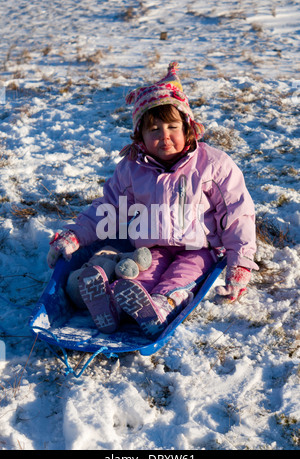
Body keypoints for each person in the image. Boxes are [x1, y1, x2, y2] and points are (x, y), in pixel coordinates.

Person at [47, 62, 258, 339]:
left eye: (173, 126)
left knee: (181, 277)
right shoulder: (132, 168)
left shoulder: (213, 165)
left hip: (199, 249)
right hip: (151, 246)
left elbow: (236, 214)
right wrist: (75, 235)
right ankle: (112, 308)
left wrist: (239, 263)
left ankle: (162, 305)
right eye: (154, 130)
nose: (165, 136)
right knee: (137, 280)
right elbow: (110, 208)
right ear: (140, 136)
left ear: (188, 128)